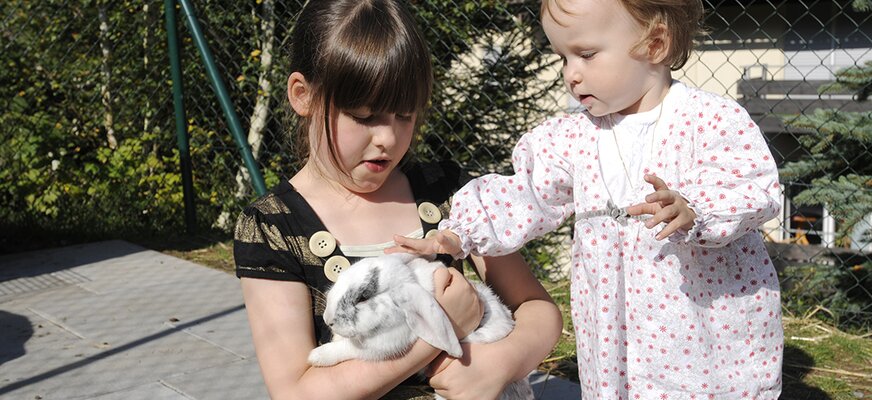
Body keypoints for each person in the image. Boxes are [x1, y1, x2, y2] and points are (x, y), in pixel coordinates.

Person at [388, 0, 784, 398]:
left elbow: (748, 180)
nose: (571, 75)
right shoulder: (572, 138)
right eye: (562, 57)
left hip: (703, 331)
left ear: (656, 44)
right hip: (614, 338)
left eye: (586, 54)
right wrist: (459, 232)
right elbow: (524, 192)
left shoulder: (709, 119)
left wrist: (695, 207)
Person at [232, 1, 563, 399]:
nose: (388, 138)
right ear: (303, 96)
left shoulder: (448, 194)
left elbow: (538, 310)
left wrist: (502, 361)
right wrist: (441, 331)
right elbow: (297, 393)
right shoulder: (274, 228)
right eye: (364, 116)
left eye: (405, 116)